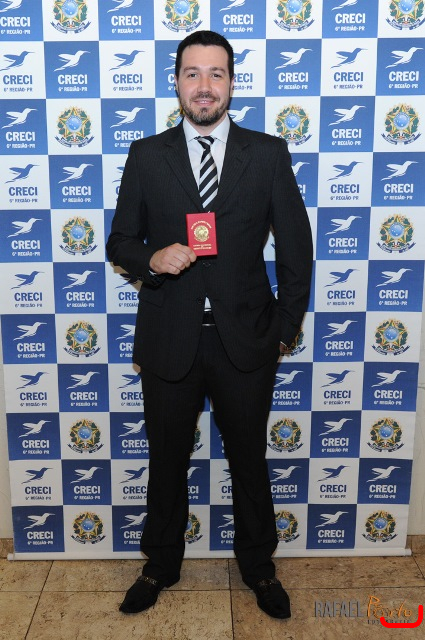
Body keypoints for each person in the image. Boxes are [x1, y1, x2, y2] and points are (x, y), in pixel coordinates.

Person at [106, 30, 313, 619]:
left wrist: (284, 329)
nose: (204, 86)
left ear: (231, 83)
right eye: (192, 73)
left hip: (245, 340)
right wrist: (151, 258)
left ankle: (259, 568)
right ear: (176, 83)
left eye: (216, 74)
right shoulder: (147, 155)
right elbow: (119, 240)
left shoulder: (267, 153)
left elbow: (297, 249)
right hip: (169, 337)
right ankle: (159, 565)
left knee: (248, 459)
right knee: (167, 459)